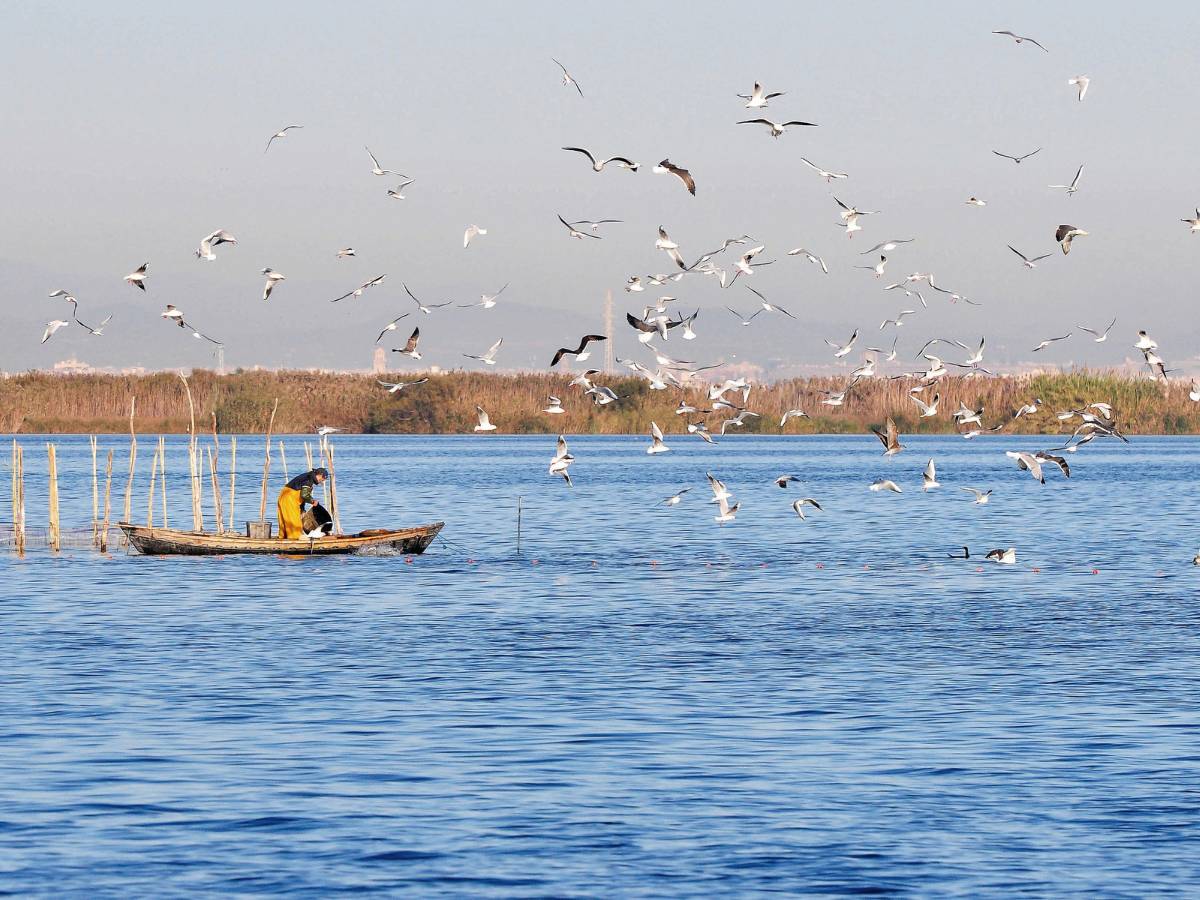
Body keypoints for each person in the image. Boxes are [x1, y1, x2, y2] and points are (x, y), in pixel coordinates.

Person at [277, 468, 327, 539]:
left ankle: (283, 538)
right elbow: (304, 495)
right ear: (319, 475)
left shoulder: (308, 477)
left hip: (284, 496)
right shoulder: (309, 480)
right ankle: (295, 539)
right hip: (290, 498)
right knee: (294, 520)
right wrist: (312, 501)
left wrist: (302, 509)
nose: (322, 481)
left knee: (284, 520)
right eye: (323, 479)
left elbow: (301, 495)